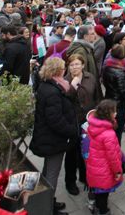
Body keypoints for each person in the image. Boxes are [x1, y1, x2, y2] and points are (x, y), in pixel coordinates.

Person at [29, 57, 77, 215]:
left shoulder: (48, 85)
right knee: (52, 175)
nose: (65, 70)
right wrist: (72, 130)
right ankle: (48, 208)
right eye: (63, 68)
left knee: (47, 171)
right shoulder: (52, 91)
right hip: (54, 140)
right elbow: (55, 120)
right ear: (58, 71)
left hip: (48, 138)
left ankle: (48, 202)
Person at [65, 53, 99, 195]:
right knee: (71, 153)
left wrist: (98, 114)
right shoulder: (65, 81)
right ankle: (70, 182)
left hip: (88, 121)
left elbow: (97, 96)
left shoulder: (90, 77)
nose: (74, 67)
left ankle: (84, 176)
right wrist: (72, 86)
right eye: (71, 64)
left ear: (83, 65)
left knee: (86, 150)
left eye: (77, 64)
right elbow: (65, 100)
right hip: (73, 122)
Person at [85, 99, 124, 215]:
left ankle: (95, 206)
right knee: (103, 194)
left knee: (98, 191)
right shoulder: (109, 134)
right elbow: (113, 157)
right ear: (108, 114)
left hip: (94, 166)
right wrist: (117, 171)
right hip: (104, 169)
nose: (116, 113)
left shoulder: (93, 126)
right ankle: (102, 211)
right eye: (114, 111)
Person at [103, 44, 125, 142]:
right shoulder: (121, 71)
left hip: (109, 100)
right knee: (117, 132)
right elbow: (123, 91)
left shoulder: (107, 66)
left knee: (110, 129)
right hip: (119, 105)